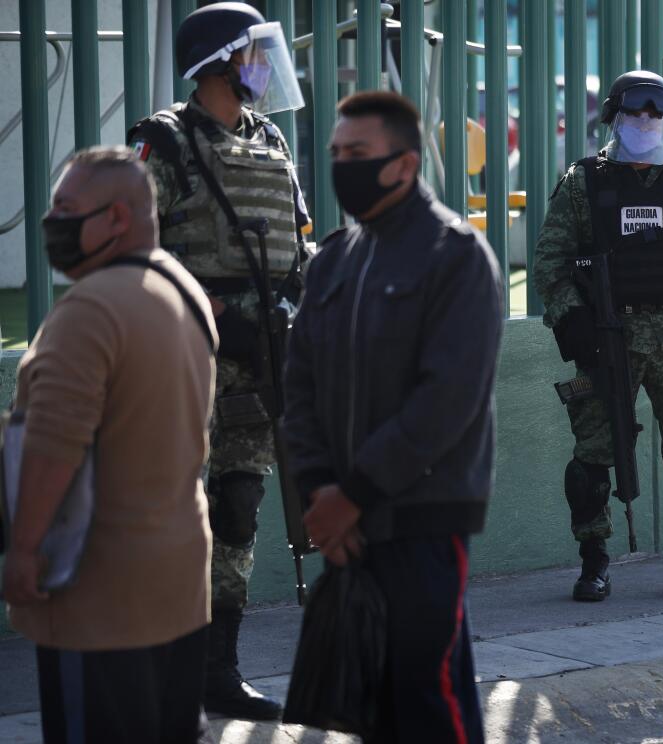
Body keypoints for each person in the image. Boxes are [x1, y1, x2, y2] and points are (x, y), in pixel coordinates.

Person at [284, 90, 501, 744]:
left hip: (422, 518)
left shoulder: (454, 255)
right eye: (335, 154)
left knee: (426, 694)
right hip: (346, 521)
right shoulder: (332, 260)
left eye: (358, 153)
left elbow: (447, 401)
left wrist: (353, 494)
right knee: (373, 702)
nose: (341, 165)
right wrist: (320, 490)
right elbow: (299, 388)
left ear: (404, 165)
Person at [127, 1, 311, 719]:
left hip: (257, 360)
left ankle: (217, 671)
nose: (264, 67)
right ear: (221, 62)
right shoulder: (165, 144)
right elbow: (129, 252)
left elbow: (297, 244)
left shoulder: (269, 141)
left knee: (237, 505)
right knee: (165, 513)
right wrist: (208, 315)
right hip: (182, 357)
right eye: (253, 53)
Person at [2, 146, 216, 743]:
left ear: (117, 218)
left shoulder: (88, 311)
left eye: (67, 209)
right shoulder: (182, 290)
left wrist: (23, 551)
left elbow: (55, 442)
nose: (54, 223)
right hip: (177, 585)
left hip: (98, 601)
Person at [533, 70, 663, 601]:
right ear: (614, 118)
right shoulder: (583, 183)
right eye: (635, 113)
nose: (646, 122)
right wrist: (571, 322)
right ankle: (594, 562)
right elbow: (550, 263)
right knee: (593, 458)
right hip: (607, 337)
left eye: (656, 113)